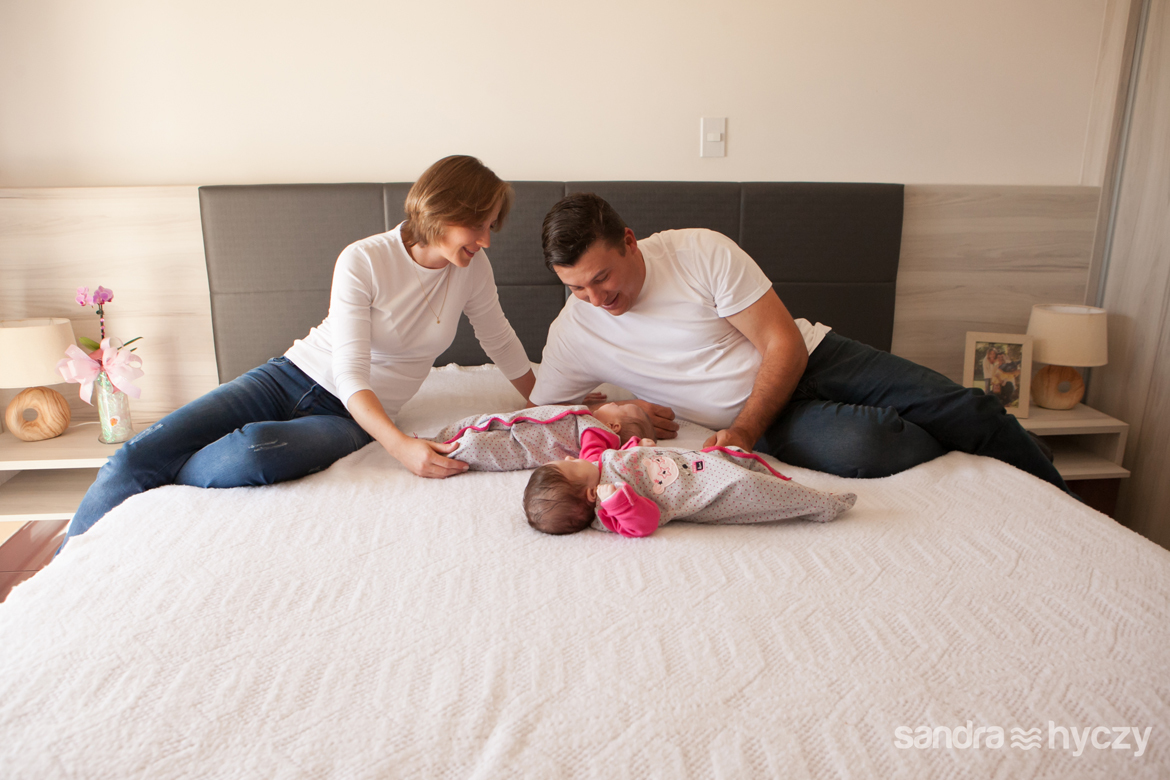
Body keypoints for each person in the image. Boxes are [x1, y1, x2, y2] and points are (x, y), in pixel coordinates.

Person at [61, 155, 536, 548]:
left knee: (252, 452)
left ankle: (163, 481)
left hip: (350, 418)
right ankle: (63, 568)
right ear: (439, 209)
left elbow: (499, 339)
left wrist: (549, 399)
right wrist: (401, 447)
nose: (485, 240)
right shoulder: (365, 259)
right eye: (476, 224)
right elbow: (350, 372)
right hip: (284, 378)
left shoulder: (473, 269)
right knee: (130, 460)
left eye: (491, 226)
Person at [528, 192, 1070, 493]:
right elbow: (539, 415)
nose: (596, 298)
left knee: (968, 406)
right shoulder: (576, 331)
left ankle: (1059, 493)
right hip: (769, 418)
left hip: (814, 358)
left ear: (629, 242)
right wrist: (613, 409)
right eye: (577, 288)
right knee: (872, 444)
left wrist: (742, 433)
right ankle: (961, 441)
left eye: (602, 278)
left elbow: (782, 342)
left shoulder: (697, 253)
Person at [523, 440, 856, 537]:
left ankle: (789, 485)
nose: (571, 457)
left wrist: (640, 446)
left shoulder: (598, 464)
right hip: (701, 492)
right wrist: (618, 503)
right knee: (749, 487)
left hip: (693, 463)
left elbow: (626, 457)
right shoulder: (607, 510)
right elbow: (646, 522)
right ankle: (820, 505)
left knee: (737, 458)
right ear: (590, 494)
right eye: (569, 465)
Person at [426, 401, 654, 471]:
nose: (613, 402)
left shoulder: (598, 432)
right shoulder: (586, 420)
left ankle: (436, 451)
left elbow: (595, 462)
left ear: (613, 426)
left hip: (524, 443)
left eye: (618, 406)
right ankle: (432, 441)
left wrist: (633, 447)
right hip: (521, 425)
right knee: (477, 424)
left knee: (476, 444)